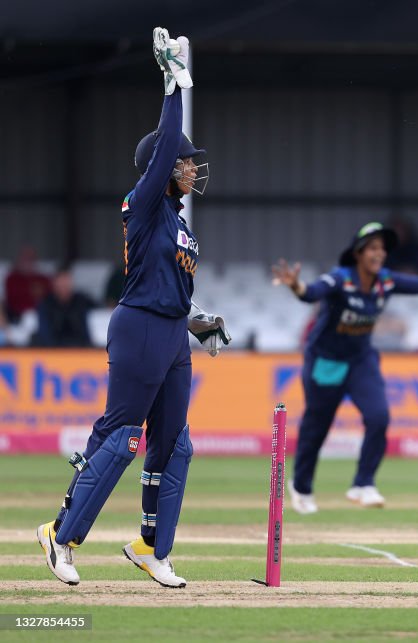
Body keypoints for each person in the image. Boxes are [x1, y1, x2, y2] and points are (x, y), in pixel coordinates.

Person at [36, 28, 228, 589]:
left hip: (170, 336)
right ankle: (61, 536)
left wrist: (198, 324)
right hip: (139, 328)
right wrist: (173, 86)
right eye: (186, 162)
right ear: (163, 168)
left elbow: (173, 289)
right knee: (123, 438)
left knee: (176, 445)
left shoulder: (179, 222)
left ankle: (152, 547)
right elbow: (167, 146)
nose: (192, 168)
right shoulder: (142, 204)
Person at [273, 222, 418, 511]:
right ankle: (302, 488)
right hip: (326, 361)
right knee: (316, 428)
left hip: (361, 360)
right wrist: (296, 285)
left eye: (382, 248)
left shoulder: (385, 281)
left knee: (379, 416)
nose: (379, 253)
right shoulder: (340, 279)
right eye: (372, 248)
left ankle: (363, 484)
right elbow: (312, 292)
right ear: (358, 253)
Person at [32, 265, 95, 347]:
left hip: (78, 351)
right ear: (54, 284)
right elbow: (45, 335)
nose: (64, 285)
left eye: (67, 281)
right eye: (61, 282)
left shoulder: (80, 302)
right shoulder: (45, 304)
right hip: (52, 351)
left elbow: (85, 334)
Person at [4, 245, 52, 323]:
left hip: (42, 318)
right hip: (17, 318)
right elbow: (12, 301)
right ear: (19, 259)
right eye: (25, 258)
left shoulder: (43, 279)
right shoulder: (12, 279)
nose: (28, 261)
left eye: (31, 258)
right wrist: (32, 292)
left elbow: (51, 299)